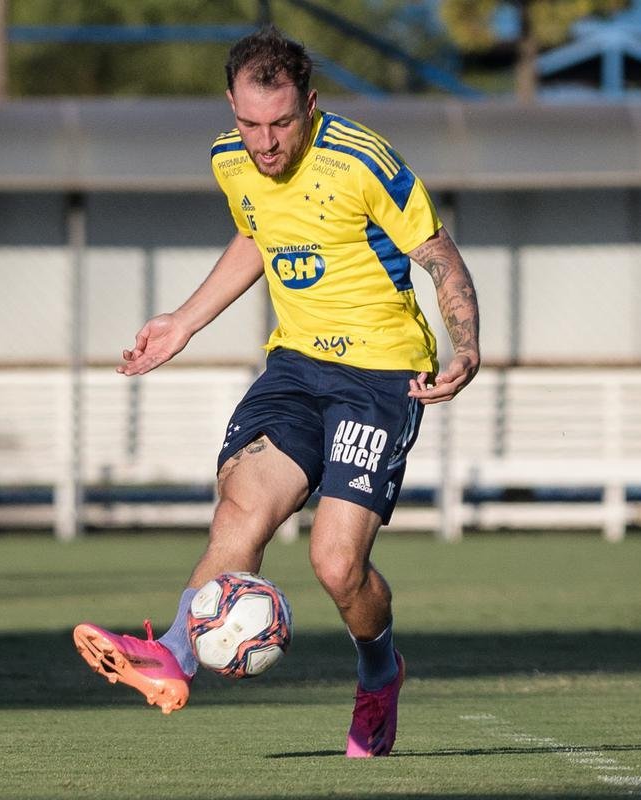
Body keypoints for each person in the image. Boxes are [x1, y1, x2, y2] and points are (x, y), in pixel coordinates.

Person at [73, 25, 479, 758]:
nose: (265, 143)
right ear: (231, 107)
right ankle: (172, 653)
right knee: (242, 506)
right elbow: (258, 234)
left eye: (282, 123)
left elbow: (439, 255)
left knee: (335, 564)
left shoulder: (362, 159)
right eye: (250, 123)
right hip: (294, 370)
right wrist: (184, 322)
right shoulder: (231, 160)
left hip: (382, 377)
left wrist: (467, 345)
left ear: (311, 104)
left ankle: (379, 671)